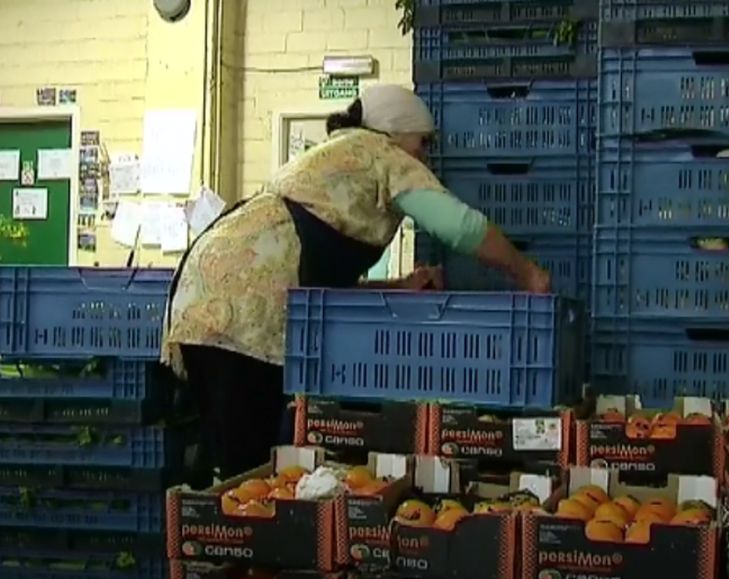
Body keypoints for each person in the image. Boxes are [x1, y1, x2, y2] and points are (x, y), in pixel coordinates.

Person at [161, 84, 551, 483]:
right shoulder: (383, 153)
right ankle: (234, 519)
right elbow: (460, 227)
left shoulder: (335, 156)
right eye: (423, 142)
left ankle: (217, 514)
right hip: (245, 313)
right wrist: (527, 273)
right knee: (247, 467)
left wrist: (400, 287)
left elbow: (319, 282)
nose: (425, 155)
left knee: (229, 457)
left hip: (202, 295)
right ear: (396, 130)